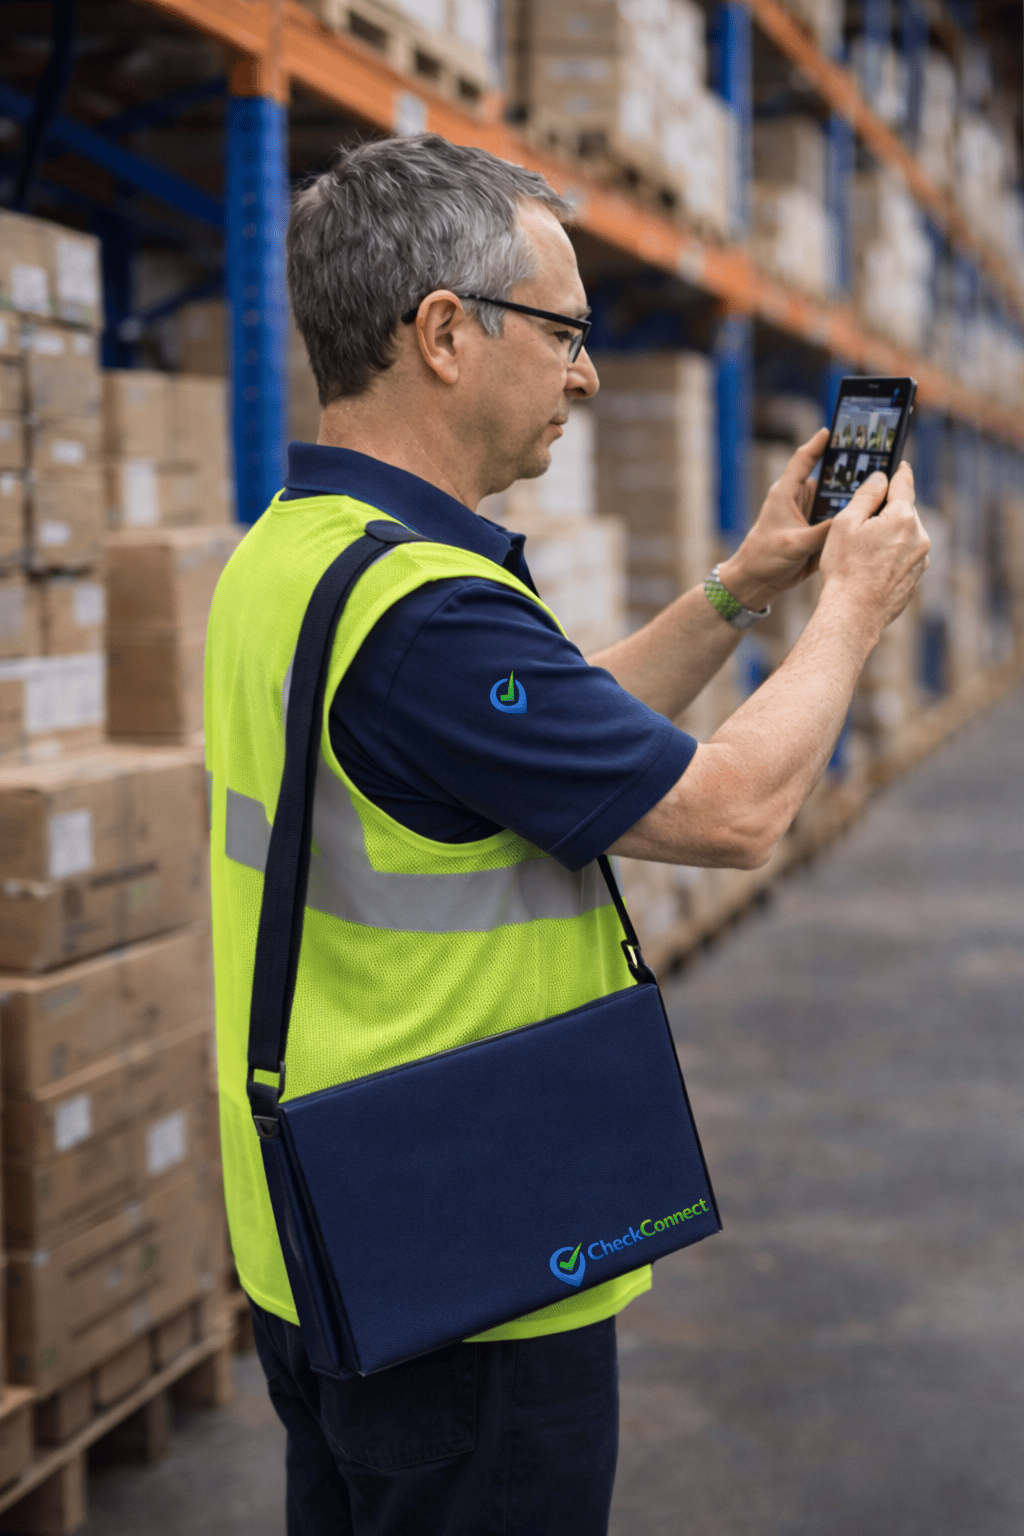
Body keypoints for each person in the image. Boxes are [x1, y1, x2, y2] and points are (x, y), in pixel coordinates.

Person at [204, 134, 929, 1536]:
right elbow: (732, 810)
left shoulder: (299, 552)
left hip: (324, 1237)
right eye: (566, 334)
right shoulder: (427, 613)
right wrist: (853, 607)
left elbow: (551, 747)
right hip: (470, 1261)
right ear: (444, 334)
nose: (589, 375)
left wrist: (743, 589)